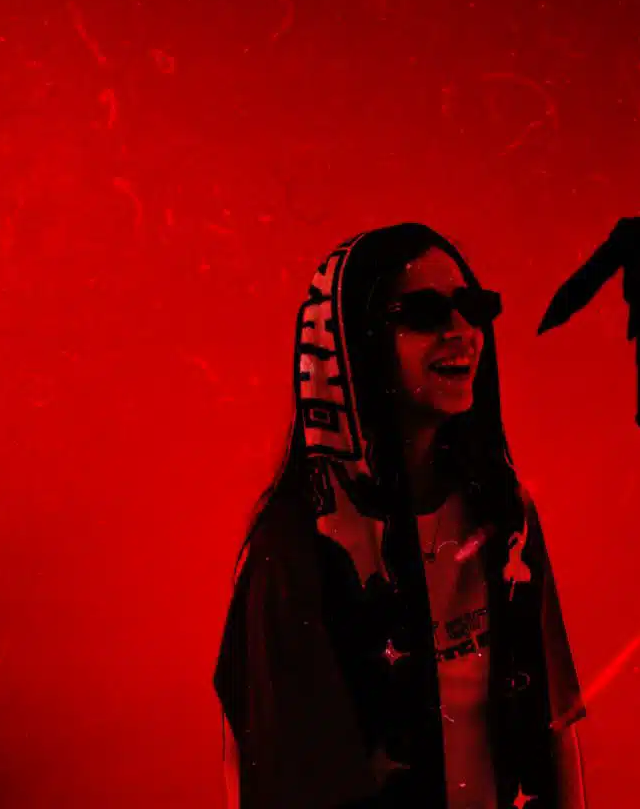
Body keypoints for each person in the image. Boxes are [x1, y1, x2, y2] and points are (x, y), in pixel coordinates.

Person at [213, 223, 589, 809]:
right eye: (423, 313)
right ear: (355, 343)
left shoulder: (503, 514)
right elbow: (266, 763)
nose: (462, 332)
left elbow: (555, 725)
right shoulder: (298, 547)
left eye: (472, 307)